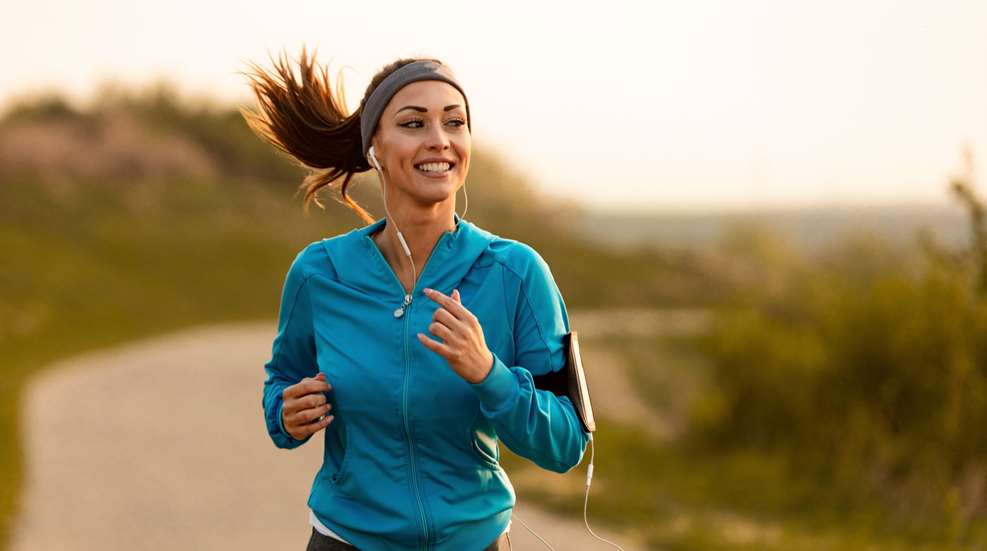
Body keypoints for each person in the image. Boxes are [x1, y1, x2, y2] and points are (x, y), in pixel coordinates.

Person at [241, 48, 590, 551]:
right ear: (374, 148)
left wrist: (488, 373)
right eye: (413, 123)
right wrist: (286, 414)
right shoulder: (320, 274)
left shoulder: (515, 272)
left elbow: (567, 444)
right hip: (346, 541)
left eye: (455, 122)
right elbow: (282, 385)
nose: (439, 140)